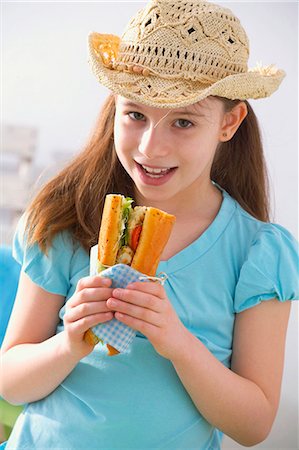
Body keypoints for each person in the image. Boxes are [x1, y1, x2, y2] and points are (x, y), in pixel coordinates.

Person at [1, 0, 298, 449]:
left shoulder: (257, 250)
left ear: (229, 122)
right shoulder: (68, 218)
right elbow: (11, 384)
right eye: (135, 114)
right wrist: (70, 344)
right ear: (114, 107)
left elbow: (253, 426)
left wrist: (177, 341)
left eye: (183, 122)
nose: (151, 147)